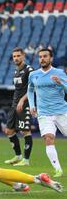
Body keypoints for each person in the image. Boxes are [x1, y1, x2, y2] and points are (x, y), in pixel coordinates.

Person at [27, 48, 67, 178]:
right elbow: (30, 90)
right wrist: (32, 105)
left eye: (45, 56)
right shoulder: (33, 75)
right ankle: (58, 170)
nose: (42, 59)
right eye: (40, 57)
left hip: (61, 111)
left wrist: (61, 83)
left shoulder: (59, 73)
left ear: (51, 58)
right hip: (44, 113)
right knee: (48, 138)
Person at [4, 47, 34, 166]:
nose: (16, 58)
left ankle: (26, 160)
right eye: (14, 56)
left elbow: (33, 88)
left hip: (25, 103)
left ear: (23, 56)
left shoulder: (29, 70)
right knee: (9, 130)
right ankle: (18, 156)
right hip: (15, 104)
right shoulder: (16, 71)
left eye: (18, 56)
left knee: (25, 131)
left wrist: (22, 100)